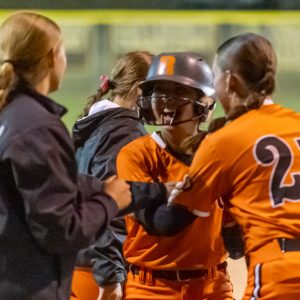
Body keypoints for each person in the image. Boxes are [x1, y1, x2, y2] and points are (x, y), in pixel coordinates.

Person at [0, 11, 131, 300]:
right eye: (62, 51)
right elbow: (61, 231)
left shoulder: (10, 114)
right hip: (27, 287)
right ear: (50, 58)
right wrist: (110, 201)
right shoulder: (36, 125)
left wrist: (99, 188)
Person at [171, 33, 300, 299]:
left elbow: (177, 216)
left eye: (215, 78)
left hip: (279, 272)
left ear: (230, 80)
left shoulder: (223, 141)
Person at [116, 52, 234, 300]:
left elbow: (236, 243)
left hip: (213, 287)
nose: (166, 102)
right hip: (151, 288)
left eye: (178, 91)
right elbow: (160, 223)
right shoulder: (136, 155)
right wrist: (204, 173)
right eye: (159, 92)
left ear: (203, 102)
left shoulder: (221, 152)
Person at [71, 51, 152, 300]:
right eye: (159, 89)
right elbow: (110, 202)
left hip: (81, 264)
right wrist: (110, 277)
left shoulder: (97, 122)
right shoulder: (123, 130)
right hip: (99, 273)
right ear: (140, 89)